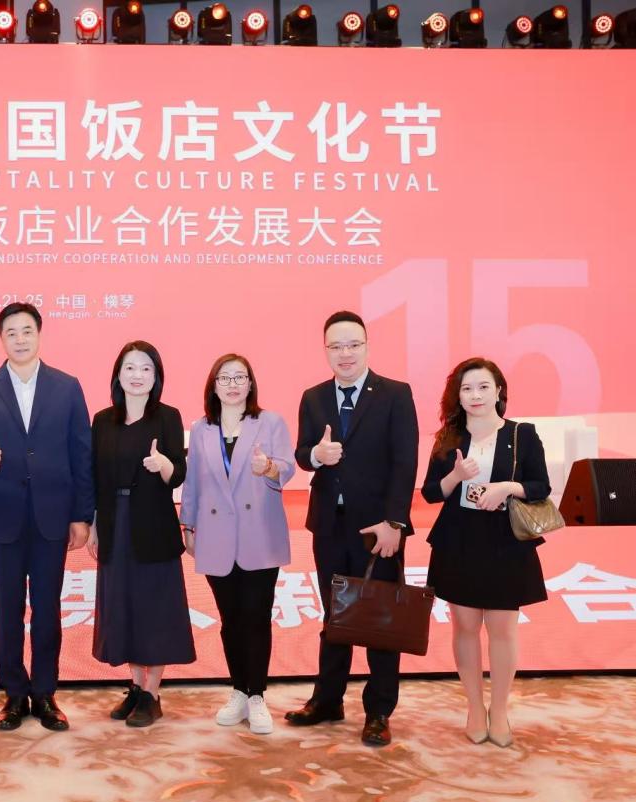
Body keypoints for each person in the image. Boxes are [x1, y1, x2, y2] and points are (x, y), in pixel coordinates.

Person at [286, 310, 418, 747]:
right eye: (336, 346)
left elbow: (405, 462)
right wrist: (316, 456)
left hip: (378, 528)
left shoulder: (395, 394)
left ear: (366, 346)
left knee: (381, 618)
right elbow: (303, 453)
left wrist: (395, 522)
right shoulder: (313, 397)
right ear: (326, 350)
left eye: (353, 345)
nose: (345, 354)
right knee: (335, 615)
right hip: (329, 524)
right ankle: (328, 700)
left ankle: (378, 710)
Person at [0, 302, 94, 732]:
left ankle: (46, 694)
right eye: (11, 333)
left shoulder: (67, 386)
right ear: (1, 338)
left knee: (48, 610)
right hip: (4, 516)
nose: (19, 339)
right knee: (8, 610)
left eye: (27, 331)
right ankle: (14, 695)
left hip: (53, 516)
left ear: (39, 334)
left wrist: (82, 515)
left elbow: (81, 454)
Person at [421, 358, 550, 748]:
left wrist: (507, 487)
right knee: (464, 627)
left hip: (505, 541)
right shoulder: (448, 437)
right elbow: (431, 493)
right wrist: (456, 476)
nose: (475, 395)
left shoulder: (522, 434)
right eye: (466, 388)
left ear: (498, 391)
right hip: (459, 540)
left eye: (482, 387)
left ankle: (500, 709)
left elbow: (540, 486)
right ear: (457, 396)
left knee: (503, 629)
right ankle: (475, 707)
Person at [180, 353, 296, 735]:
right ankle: (238, 691)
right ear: (213, 386)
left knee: (257, 617)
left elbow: (288, 467)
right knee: (230, 620)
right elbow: (193, 481)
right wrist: (188, 523)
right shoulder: (201, 429)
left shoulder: (270, 422)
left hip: (259, 534)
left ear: (250, 384)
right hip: (215, 536)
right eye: (225, 378)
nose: (232, 384)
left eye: (240, 377)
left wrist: (270, 468)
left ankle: (257, 694)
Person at [88, 341, 193, 728]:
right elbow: (95, 477)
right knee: (124, 606)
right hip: (113, 522)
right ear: (118, 374)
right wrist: (95, 526)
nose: (137, 375)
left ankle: (152, 692)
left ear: (156, 376)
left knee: (156, 609)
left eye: (146, 368)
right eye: (130, 367)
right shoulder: (102, 420)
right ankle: (135, 686)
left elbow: (178, 474)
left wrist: (163, 463)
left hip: (153, 523)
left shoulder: (168, 416)